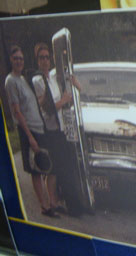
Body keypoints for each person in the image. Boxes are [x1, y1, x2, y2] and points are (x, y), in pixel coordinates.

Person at [5, 45, 59, 218]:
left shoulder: (24, 79)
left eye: (21, 58)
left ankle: (52, 202)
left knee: (48, 166)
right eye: (16, 59)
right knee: (36, 170)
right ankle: (44, 207)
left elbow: (36, 101)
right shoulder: (11, 81)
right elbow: (17, 111)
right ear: (11, 61)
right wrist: (29, 137)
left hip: (40, 127)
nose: (19, 61)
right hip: (29, 129)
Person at [31, 43, 83, 216]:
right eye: (41, 58)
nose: (45, 61)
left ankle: (55, 202)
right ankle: (54, 203)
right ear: (37, 60)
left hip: (60, 128)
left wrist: (74, 83)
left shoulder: (52, 77)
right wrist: (63, 100)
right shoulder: (38, 80)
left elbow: (75, 88)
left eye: (47, 57)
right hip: (49, 129)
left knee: (60, 167)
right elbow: (47, 109)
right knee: (54, 167)